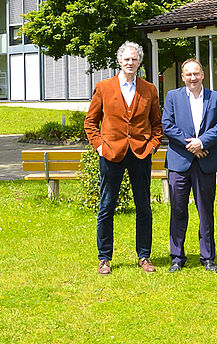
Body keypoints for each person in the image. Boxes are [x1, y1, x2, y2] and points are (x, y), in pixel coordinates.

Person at [84, 41, 163, 275]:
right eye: (126, 59)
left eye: (134, 59)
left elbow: (157, 124)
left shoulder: (149, 89)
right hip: (111, 154)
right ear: (119, 61)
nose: (130, 63)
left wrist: (152, 146)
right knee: (107, 206)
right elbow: (90, 122)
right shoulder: (104, 87)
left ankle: (144, 256)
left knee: (144, 207)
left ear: (139, 62)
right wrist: (99, 146)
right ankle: (104, 258)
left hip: (140, 153)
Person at [162, 59, 217, 272]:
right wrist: (191, 144)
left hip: (205, 163)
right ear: (183, 77)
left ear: (202, 75)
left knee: (206, 211)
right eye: (188, 74)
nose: (193, 77)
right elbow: (167, 125)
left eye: (196, 73)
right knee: (178, 210)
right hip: (179, 162)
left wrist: (202, 142)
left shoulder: (216, 97)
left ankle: (208, 257)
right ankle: (177, 257)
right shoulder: (173, 96)